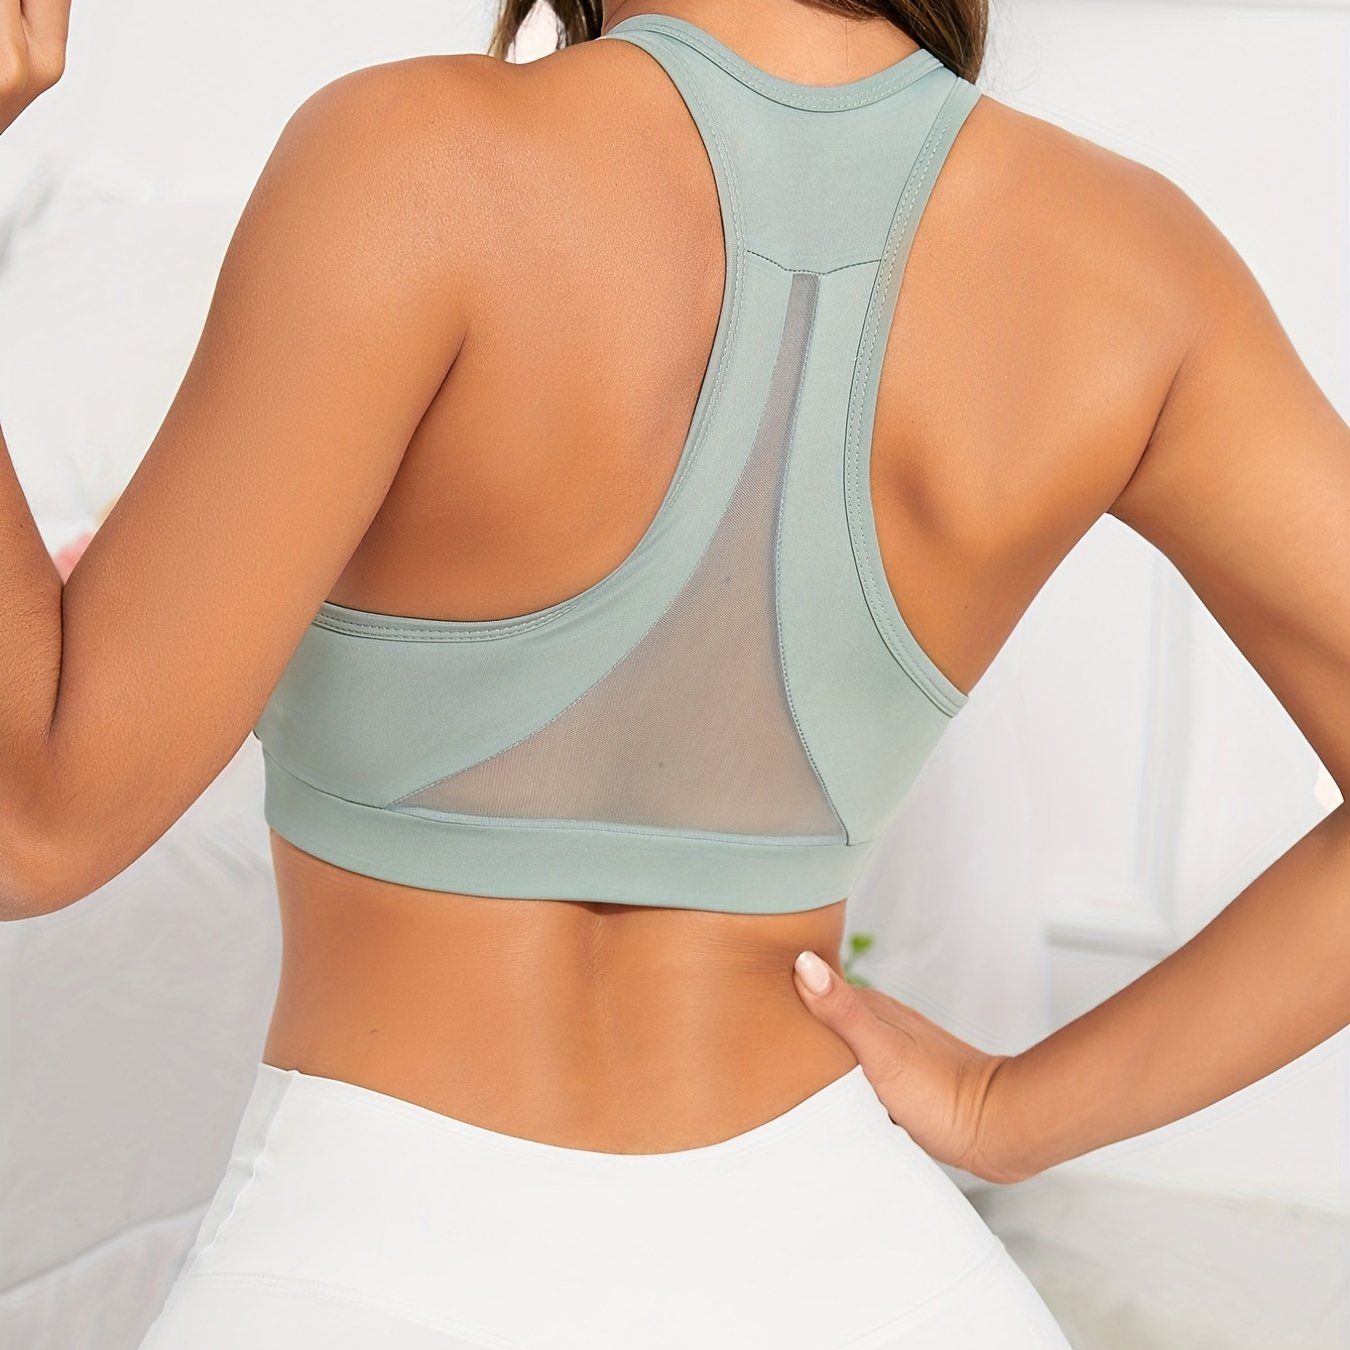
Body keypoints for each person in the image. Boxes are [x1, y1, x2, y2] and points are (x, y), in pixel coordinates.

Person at [1, 0, 1346, 1345]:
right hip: (883, 1283)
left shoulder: (416, 159)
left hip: (363, 1269)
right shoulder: (1132, 262)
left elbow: (38, 823)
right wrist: (1010, 1116)